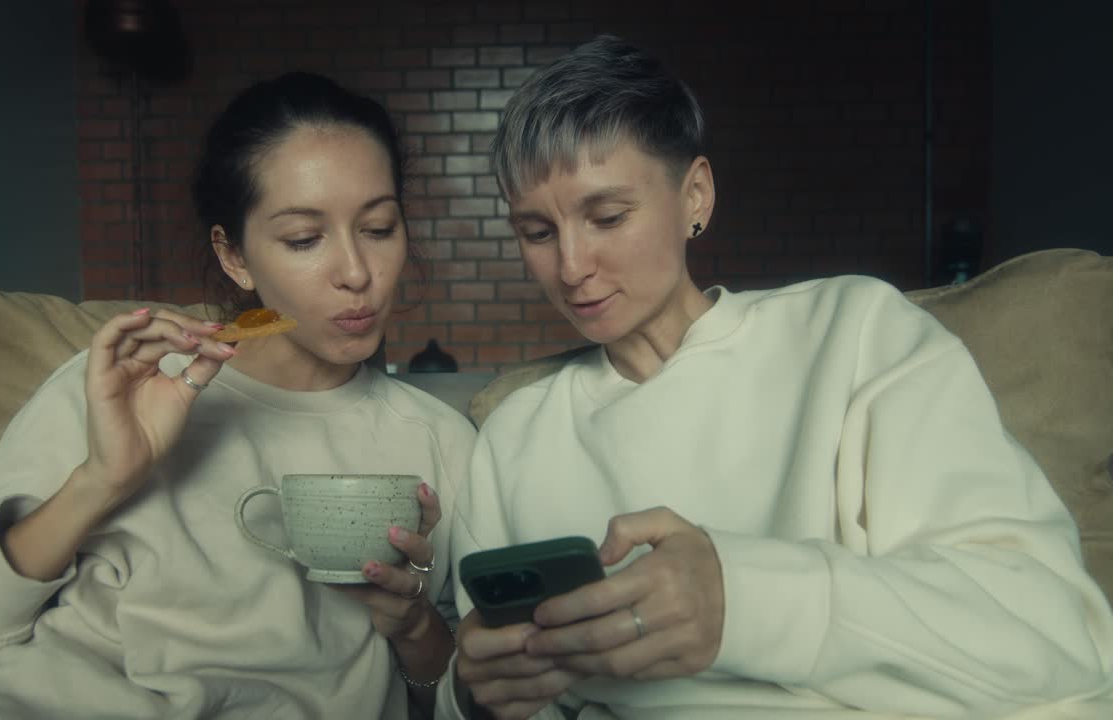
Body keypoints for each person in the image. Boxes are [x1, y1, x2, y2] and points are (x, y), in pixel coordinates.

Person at [435, 36, 1113, 720]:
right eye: (537, 232)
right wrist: (476, 693)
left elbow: (1055, 638)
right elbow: (503, 687)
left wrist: (742, 601)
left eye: (607, 217)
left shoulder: (855, 335)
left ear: (694, 194)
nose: (572, 265)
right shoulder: (516, 435)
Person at [0, 72, 474, 720]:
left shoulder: (440, 443)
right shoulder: (128, 386)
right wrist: (100, 481)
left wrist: (416, 627)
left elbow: (464, 701)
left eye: (379, 227)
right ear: (235, 258)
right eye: (305, 239)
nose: (357, 273)